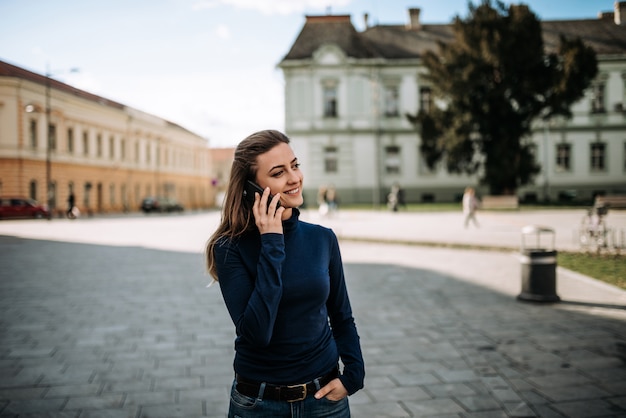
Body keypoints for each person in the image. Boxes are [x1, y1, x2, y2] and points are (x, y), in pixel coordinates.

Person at [206, 130, 365, 417]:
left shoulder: (322, 239)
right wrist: (272, 243)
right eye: (279, 172)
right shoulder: (229, 248)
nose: (294, 178)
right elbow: (257, 334)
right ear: (252, 187)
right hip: (258, 404)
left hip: (325, 401)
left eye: (295, 165)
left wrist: (353, 375)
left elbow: (342, 316)